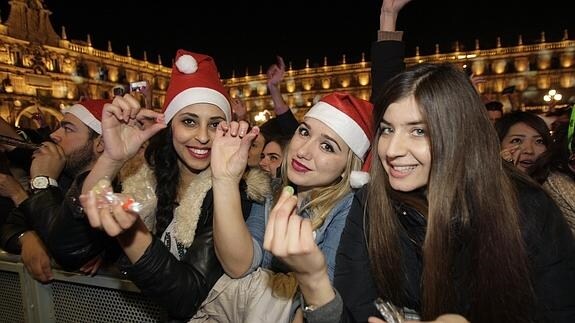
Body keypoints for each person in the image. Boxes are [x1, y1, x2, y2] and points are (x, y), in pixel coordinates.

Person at [266, 62, 575, 323]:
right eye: (387, 129)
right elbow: (354, 313)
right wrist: (314, 279)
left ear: (459, 135)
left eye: (418, 131)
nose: (393, 150)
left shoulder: (526, 210)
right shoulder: (371, 203)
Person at [78, 49, 269, 321]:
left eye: (215, 124)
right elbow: (77, 234)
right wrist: (112, 158)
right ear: (170, 126)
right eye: (189, 121)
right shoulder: (142, 176)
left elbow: (188, 295)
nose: (202, 137)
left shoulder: (238, 190)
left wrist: (131, 231)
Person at [190, 91, 374, 322]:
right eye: (304, 132)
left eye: (327, 146)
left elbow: (326, 301)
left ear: (349, 167)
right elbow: (239, 265)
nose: (304, 151)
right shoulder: (273, 190)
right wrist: (224, 179)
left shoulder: (349, 208)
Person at [1, 99, 114, 283]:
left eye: (68, 129)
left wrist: (43, 182)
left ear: (100, 143)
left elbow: (68, 250)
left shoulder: (118, 188)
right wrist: (26, 237)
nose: (53, 135)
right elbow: (9, 226)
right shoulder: (63, 179)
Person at [496, 111, 575, 234]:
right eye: (516, 141)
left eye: (539, 141)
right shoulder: (486, 188)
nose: (529, 150)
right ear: (497, 145)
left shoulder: (556, 182)